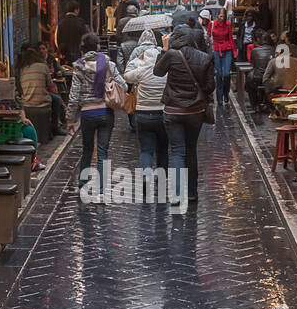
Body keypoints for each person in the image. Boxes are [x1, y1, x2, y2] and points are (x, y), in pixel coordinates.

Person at [154, 25, 215, 208]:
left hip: (173, 111)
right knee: (191, 150)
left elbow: (157, 72)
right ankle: (192, 193)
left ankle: (178, 194)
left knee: (177, 152)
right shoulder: (204, 57)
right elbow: (210, 86)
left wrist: (164, 50)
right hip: (195, 111)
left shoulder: (171, 54)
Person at [66, 33, 125, 195]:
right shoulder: (107, 63)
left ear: (82, 49)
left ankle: (83, 185)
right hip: (106, 112)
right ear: (97, 47)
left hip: (87, 115)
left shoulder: (78, 66)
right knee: (103, 151)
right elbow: (123, 84)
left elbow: (73, 95)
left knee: (87, 150)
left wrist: (70, 119)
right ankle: (101, 189)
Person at [123, 29, 168, 174]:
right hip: (163, 113)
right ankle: (162, 177)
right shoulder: (166, 71)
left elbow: (126, 76)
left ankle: (145, 177)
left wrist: (137, 60)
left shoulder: (141, 71)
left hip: (143, 114)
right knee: (162, 149)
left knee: (146, 150)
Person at [211, 6, 236, 106]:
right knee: (219, 74)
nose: (222, 18)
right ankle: (219, 97)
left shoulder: (228, 24)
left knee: (226, 74)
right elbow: (209, 37)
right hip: (217, 50)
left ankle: (226, 94)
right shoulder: (212, 24)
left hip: (227, 49)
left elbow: (230, 38)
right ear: (217, 16)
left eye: (223, 16)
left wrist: (234, 51)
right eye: (220, 16)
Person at [246, 29, 274, 109]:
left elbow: (253, 64)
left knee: (249, 82)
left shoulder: (254, 51)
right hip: (272, 78)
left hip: (258, 78)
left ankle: (254, 104)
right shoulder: (275, 49)